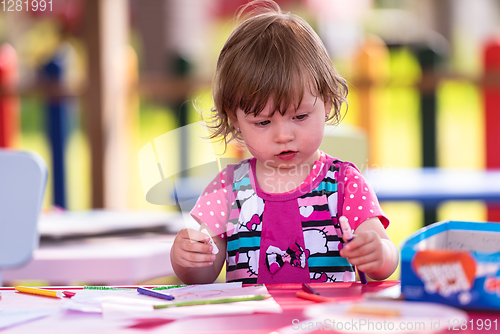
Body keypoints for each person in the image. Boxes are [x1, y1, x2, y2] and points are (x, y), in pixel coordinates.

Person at [170, 0, 398, 284]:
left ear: (326, 102)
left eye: (300, 116)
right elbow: (202, 275)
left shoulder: (344, 183)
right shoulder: (227, 188)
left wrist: (378, 253)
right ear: (235, 119)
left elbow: (384, 258)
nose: (283, 135)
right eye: (263, 122)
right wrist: (188, 257)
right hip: (253, 326)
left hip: (324, 324)